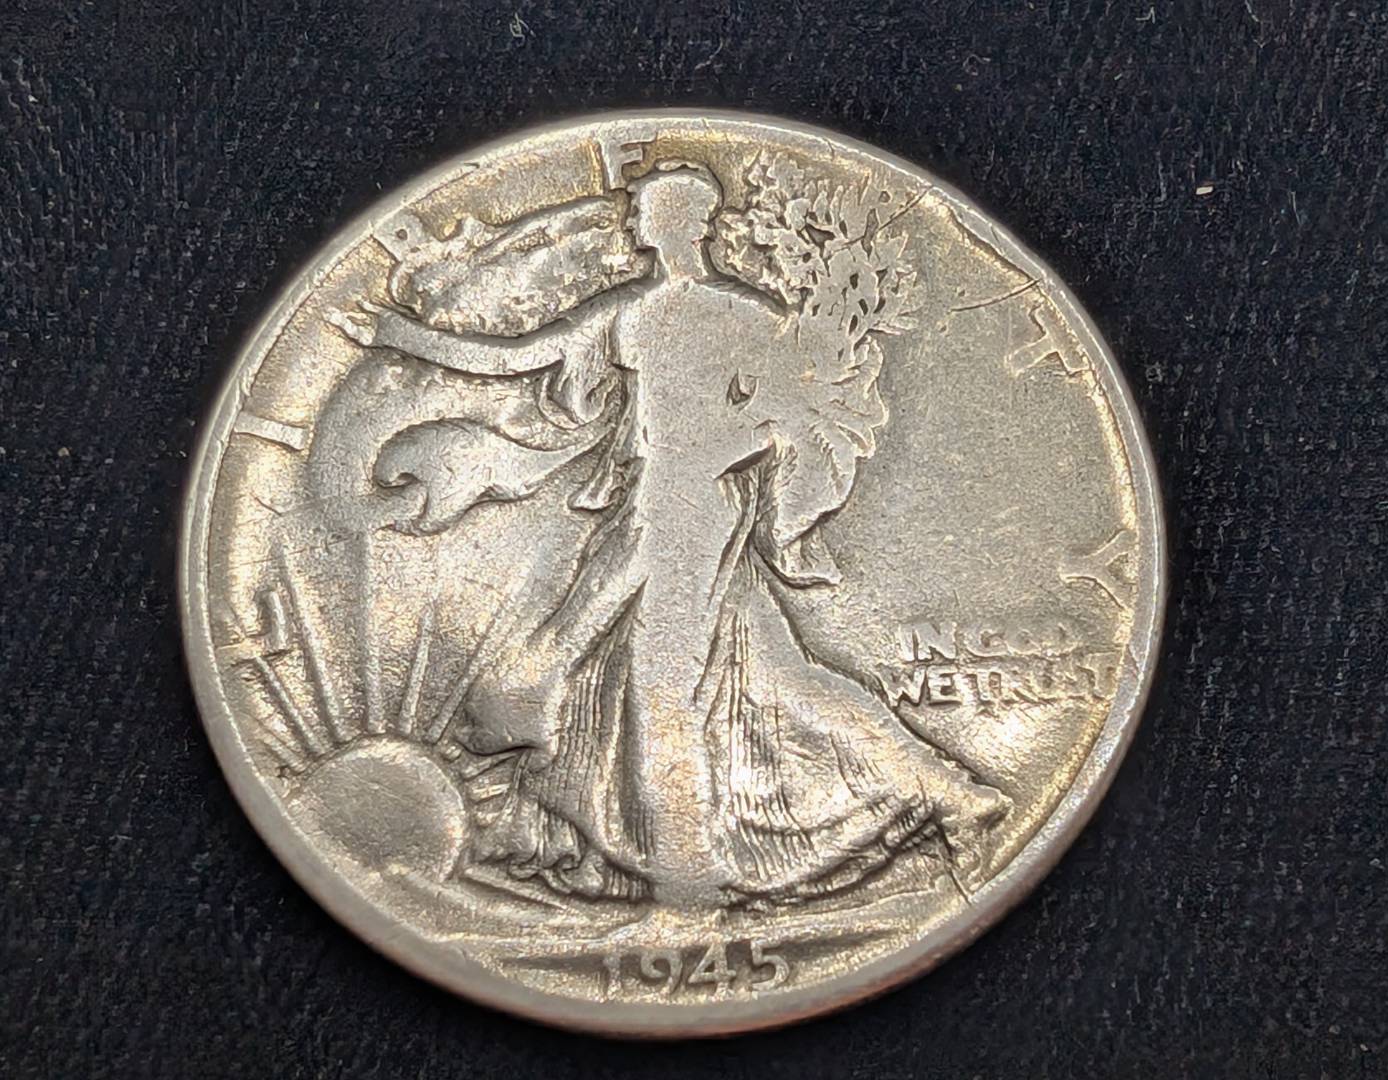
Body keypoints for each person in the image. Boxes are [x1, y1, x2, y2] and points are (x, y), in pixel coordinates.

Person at [332, 162, 1009, 909]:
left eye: (648, 211)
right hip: (655, 506)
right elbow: (516, 358)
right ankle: (957, 796)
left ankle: (688, 898)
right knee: (780, 676)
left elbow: (790, 417)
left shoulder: (747, 317)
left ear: (687, 222)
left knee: (657, 693)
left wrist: (708, 460)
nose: (635, 223)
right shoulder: (633, 312)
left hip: (693, 512)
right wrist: (400, 335)